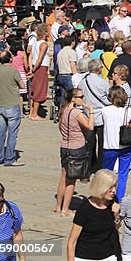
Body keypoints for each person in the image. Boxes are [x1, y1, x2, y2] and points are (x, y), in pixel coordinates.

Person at [66, 169, 122, 261]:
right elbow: (71, 242)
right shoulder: (85, 209)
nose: (114, 191)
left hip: (108, 257)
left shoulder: (113, 202)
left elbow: (115, 229)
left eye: (115, 186)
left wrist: (116, 215)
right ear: (101, 187)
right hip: (85, 260)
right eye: (110, 187)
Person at [55, 88, 94, 216]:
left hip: (64, 146)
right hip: (76, 147)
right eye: (80, 97)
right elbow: (90, 126)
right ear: (73, 98)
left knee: (63, 177)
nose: (82, 99)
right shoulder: (76, 112)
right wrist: (91, 112)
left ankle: (58, 206)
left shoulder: (64, 110)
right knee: (72, 179)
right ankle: (66, 209)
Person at [100, 84, 131, 201]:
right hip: (125, 145)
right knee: (123, 174)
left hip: (109, 145)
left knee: (106, 174)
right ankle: (119, 199)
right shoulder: (128, 111)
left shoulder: (105, 110)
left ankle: (105, 196)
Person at [0, 50, 23, 167]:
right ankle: (9, 158)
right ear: (10, 59)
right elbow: (22, 85)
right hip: (12, 104)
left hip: (1, 105)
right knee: (12, 133)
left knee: (0, 132)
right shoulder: (14, 71)